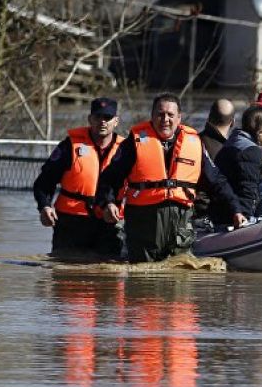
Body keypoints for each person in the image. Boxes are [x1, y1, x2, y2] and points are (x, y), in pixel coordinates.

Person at [95, 93, 247, 263]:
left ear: (179, 118)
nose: (165, 119)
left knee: (180, 278)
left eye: (170, 115)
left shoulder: (194, 142)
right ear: (152, 116)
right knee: (142, 281)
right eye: (160, 114)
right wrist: (108, 202)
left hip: (180, 224)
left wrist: (236, 209)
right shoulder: (134, 142)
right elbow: (109, 177)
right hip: (144, 222)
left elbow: (217, 180)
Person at [33, 97, 125, 260]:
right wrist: (45, 207)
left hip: (109, 223)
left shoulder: (126, 150)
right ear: (90, 119)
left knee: (109, 276)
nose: (102, 122)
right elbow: (43, 183)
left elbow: (139, 186)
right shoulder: (69, 146)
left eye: (107, 118)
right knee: (65, 275)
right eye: (98, 117)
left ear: (116, 121)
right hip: (72, 223)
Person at [210, 105, 262, 224]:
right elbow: (247, 188)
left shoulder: (233, 142)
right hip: (234, 216)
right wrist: (245, 217)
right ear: (260, 131)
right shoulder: (251, 151)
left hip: (220, 209)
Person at [195, 98, 235, 217]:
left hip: (190, 206)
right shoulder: (227, 151)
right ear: (232, 122)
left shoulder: (193, 141)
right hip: (209, 212)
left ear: (209, 116)